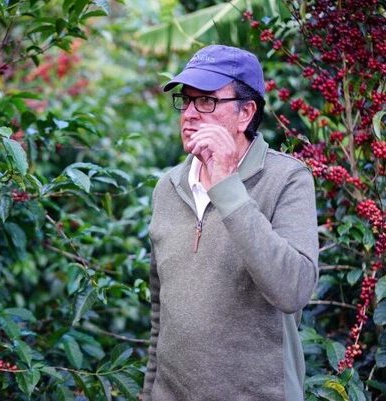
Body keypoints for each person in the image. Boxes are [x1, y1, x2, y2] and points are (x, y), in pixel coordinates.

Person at [141, 45, 319, 401]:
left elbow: (293, 290)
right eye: (185, 100)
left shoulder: (287, 179)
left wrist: (227, 186)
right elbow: (161, 316)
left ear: (245, 113)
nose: (189, 114)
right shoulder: (168, 188)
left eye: (206, 101)